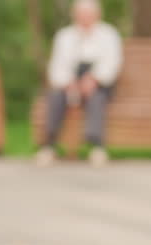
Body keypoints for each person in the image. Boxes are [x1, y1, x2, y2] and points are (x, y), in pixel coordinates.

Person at [37, 0, 123, 167]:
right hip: (70, 83)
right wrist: (69, 83)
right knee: (55, 97)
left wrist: (94, 79)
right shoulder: (64, 36)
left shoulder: (108, 34)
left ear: (97, 15)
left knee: (97, 98)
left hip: (99, 83)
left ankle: (97, 146)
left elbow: (113, 62)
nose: (84, 18)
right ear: (74, 15)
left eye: (88, 14)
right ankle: (49, 145)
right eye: (81, 14)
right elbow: (57, 66)